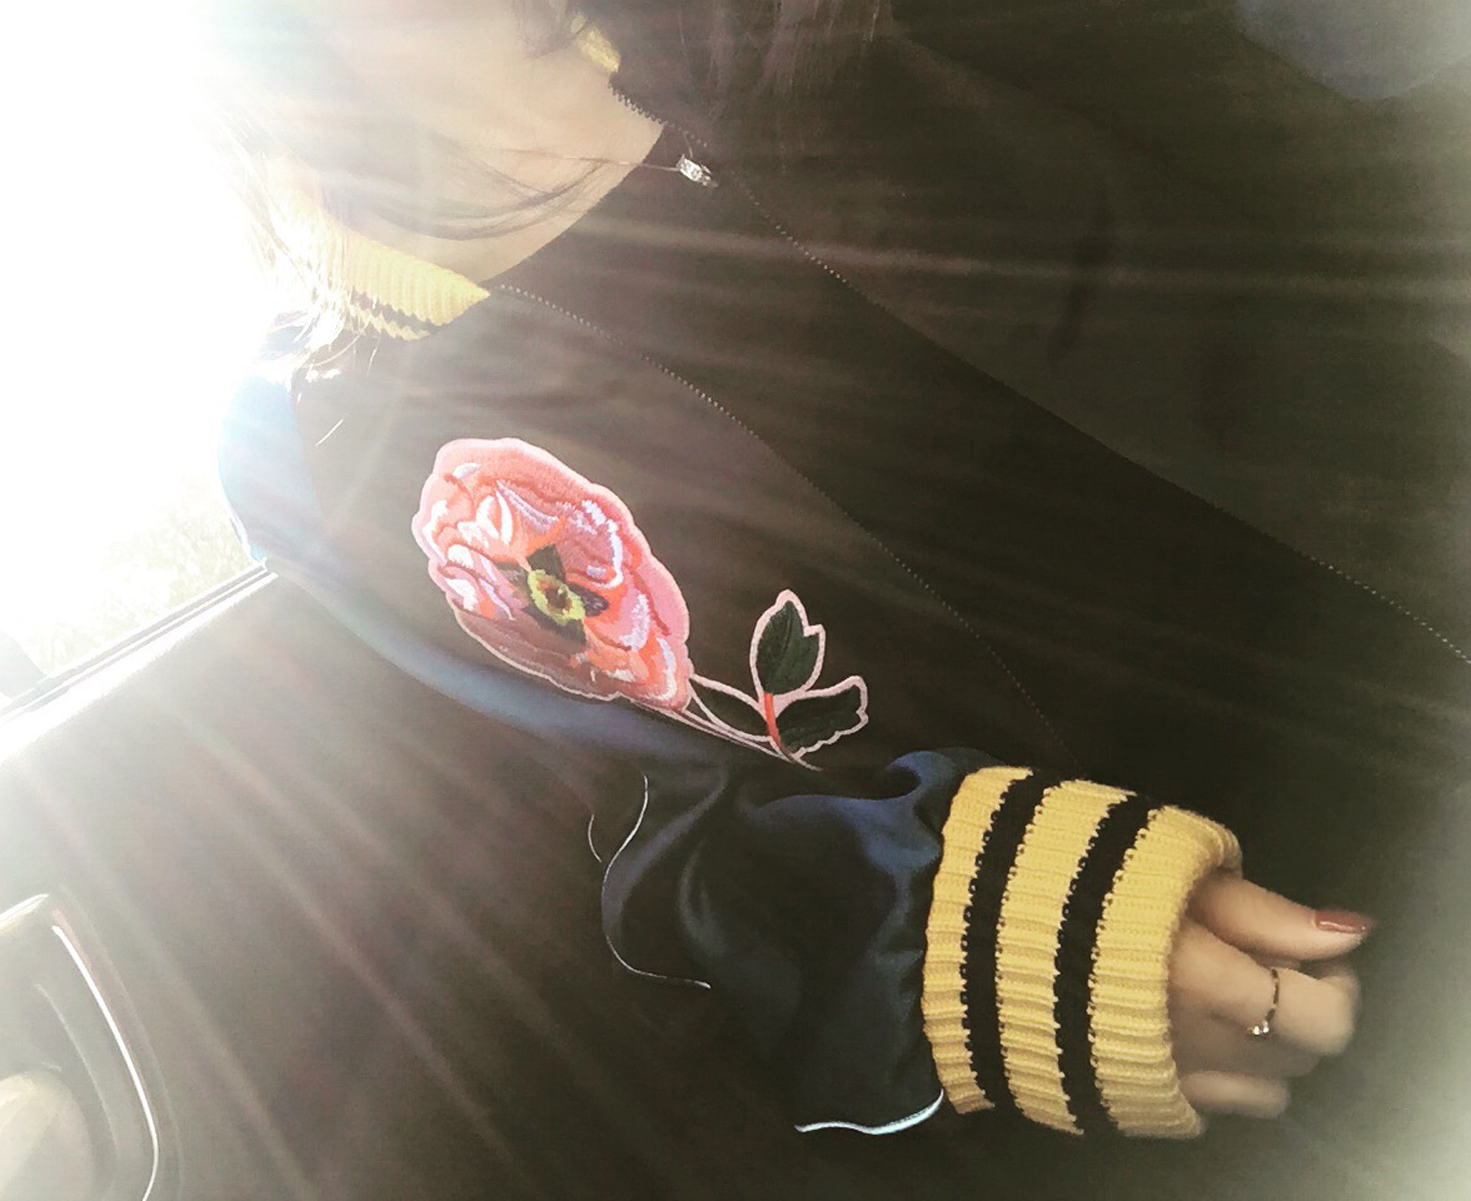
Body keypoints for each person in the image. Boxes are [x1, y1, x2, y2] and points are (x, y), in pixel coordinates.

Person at [210, 1, 1469, 1194]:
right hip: (1255, 1044)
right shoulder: (316, 457)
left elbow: (1346, 167)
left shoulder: (833, 34)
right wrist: (995, 937)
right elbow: (591, 864)